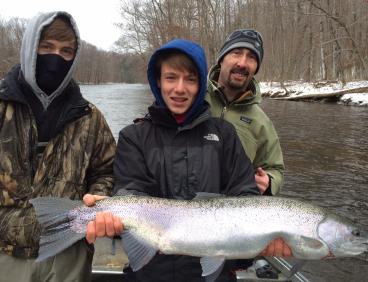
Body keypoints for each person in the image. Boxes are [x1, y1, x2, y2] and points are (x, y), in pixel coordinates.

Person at [84, 38, 291, 281]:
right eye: (171, 77)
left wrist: (260, 238)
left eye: (190, 79)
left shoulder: (225, 135)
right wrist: (111, 215)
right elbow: (130, 191)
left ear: (200, 83)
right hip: (149, 273)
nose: (180, 88)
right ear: (158, 81)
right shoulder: (134, 137)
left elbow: (246, 194)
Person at [0, 11, 116, 282]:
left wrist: (97, 200)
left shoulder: (90, 116)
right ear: (30, 48)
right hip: (5, 254)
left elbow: (107, 171)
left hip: (68, 254)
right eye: (47, 47)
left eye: (66, 51)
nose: (55, 58)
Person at [206, 29, 285, 195]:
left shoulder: (261, 122)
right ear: (221, 59)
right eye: (236, 53)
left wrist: (269, 182)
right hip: (186, 203)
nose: (242, 63)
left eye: (251, 57)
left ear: (256, 68)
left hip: (234, 211)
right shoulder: (194, 98)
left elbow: (275, 169)